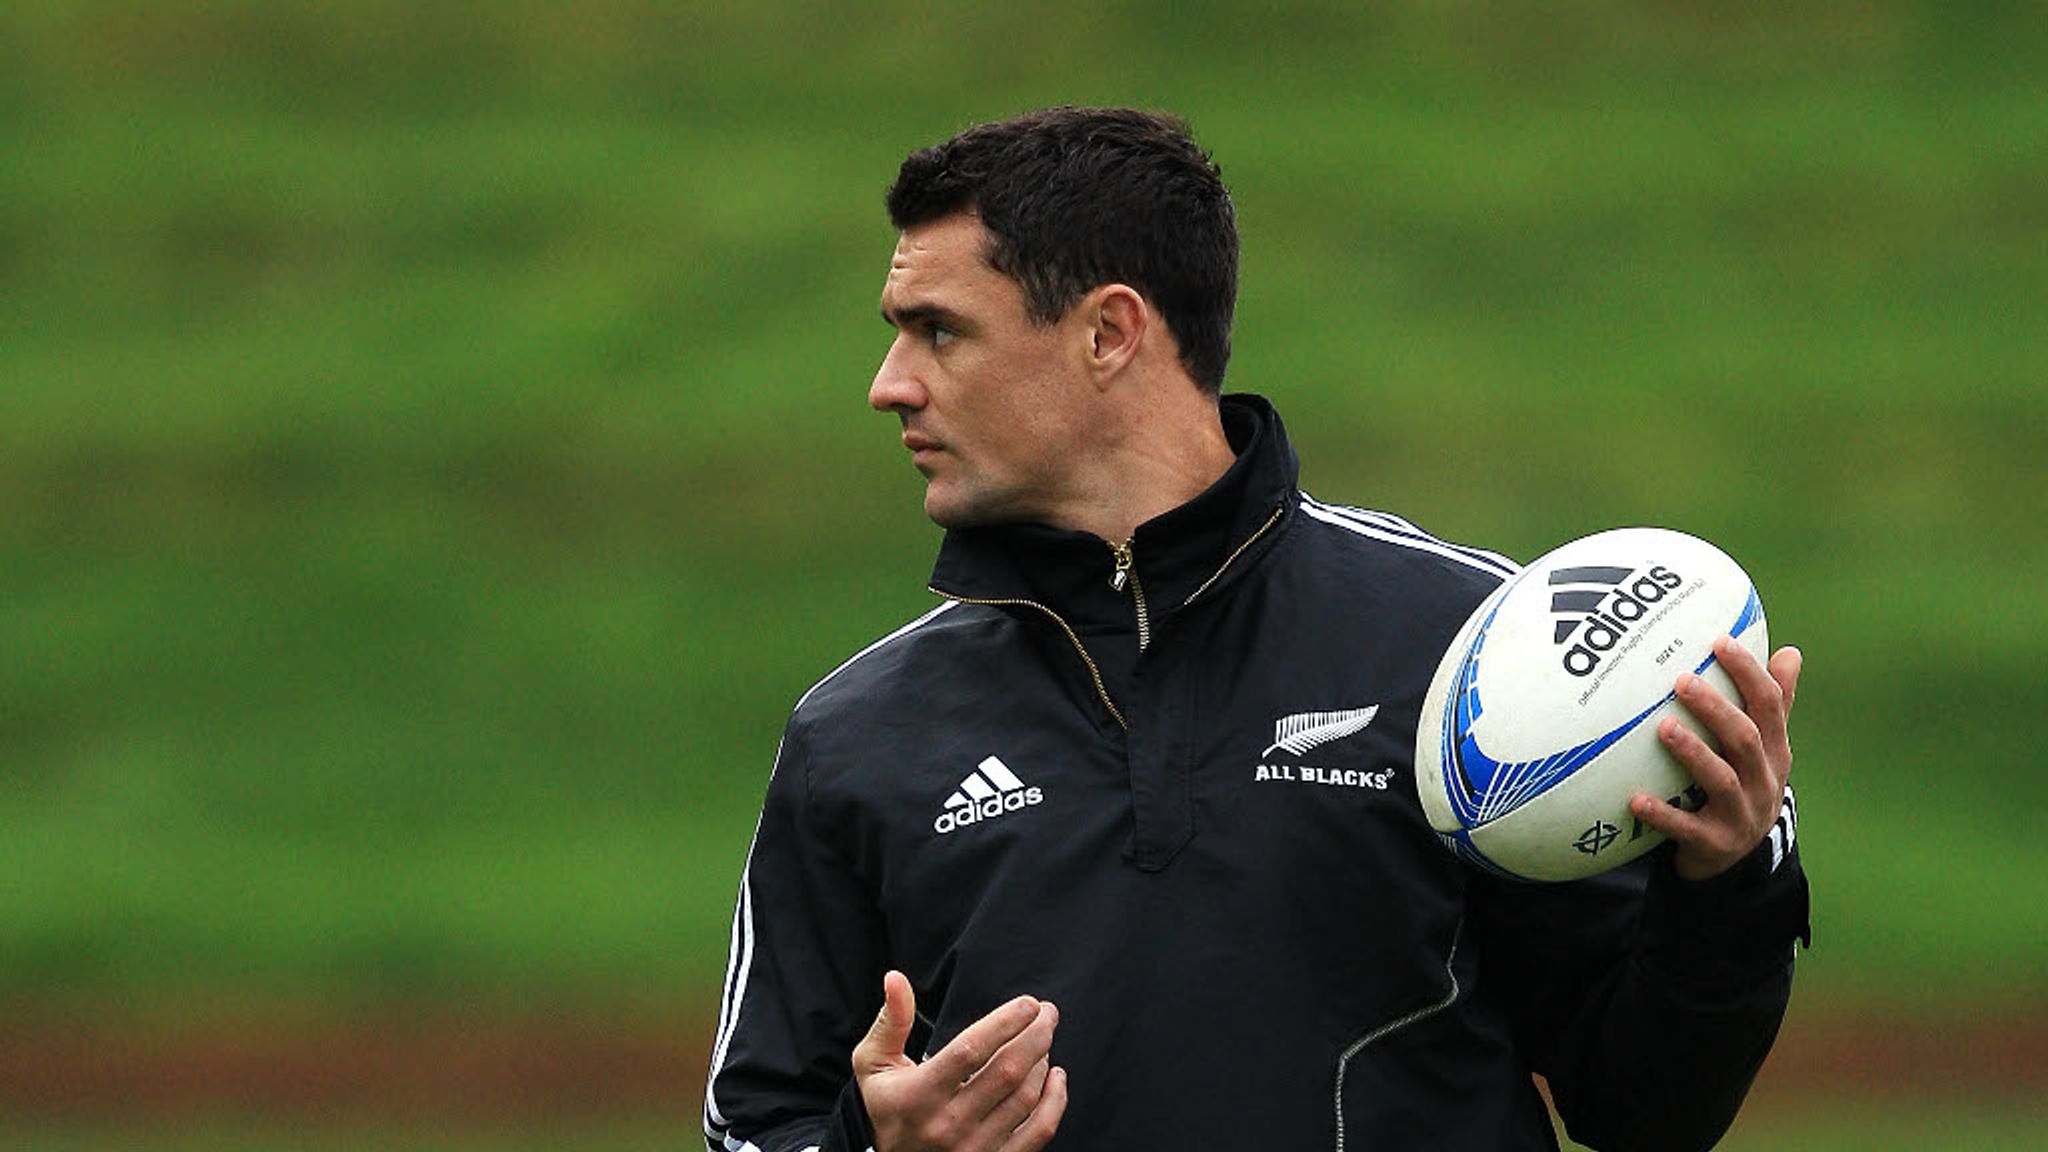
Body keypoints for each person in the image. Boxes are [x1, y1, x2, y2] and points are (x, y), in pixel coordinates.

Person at [703, 106, 1809, 1152]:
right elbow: (756, 1121)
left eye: (937, 331)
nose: (887, 386)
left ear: (1109, 334)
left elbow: (1646, 1112)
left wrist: (1726, 889)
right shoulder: (857, 736)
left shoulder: (1471, 658)